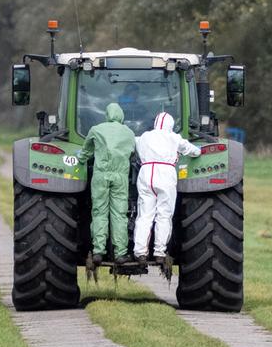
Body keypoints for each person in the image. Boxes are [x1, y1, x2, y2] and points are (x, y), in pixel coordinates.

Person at [133, 112, 201, 266]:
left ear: (155, 123)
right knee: (164, 215)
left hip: (145, 173)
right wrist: (199, 152)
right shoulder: (174, 137)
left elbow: (133, 144)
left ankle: (140, 253)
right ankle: (159, 252)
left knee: (144, 215)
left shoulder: (144, 137)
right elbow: (193, 150)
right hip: (166, 174)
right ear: (170, 125)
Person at [78, 103, 136, 265]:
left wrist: (80, 160)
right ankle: (120, 254)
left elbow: (86, 152)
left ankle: (98, 252)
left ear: (107, 114)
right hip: (120, 177)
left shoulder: (96, 129)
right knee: (119, 214)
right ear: (121, 115)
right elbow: (132, 153)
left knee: (99, 212)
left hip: (101, 176)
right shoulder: (129, 133)